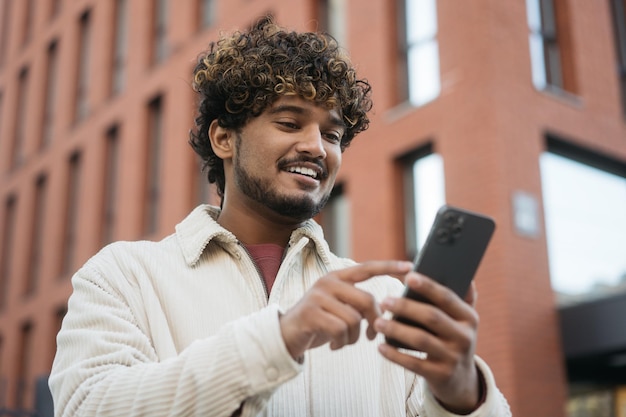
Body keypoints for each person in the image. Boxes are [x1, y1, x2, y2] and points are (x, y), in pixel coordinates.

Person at [49, 16, 511, 417]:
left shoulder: (385, 300)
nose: (317, 146)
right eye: (290, 123)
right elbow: (87, 406)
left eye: (333, 134)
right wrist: (279, 338)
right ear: (223, 139)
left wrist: (461, 393)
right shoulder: (123, 276)